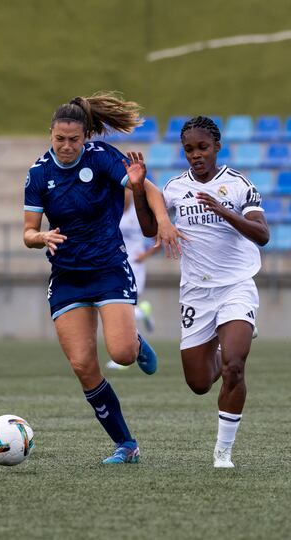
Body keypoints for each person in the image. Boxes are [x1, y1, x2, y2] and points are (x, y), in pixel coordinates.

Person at [23, 92, 183, 464]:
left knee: (122, 353)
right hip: (67, 277)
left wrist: (162, 221)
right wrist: (41, 237)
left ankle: (136, 342)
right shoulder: (37, 174)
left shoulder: (102, 158)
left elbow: (147, 188)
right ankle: (126, 444)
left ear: (85, 137)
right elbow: (28, 232)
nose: (66, 146)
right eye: (59, 139)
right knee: (83, 365)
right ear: (50, 135)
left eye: (73, 140)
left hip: (109, 267)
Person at [133, 116, 270, 468]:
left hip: (236, 286)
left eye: (203, 148)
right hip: (196, 293)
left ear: (217, 148)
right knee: (198, 383)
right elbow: (150, 229)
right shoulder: (176, 188)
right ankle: (225, 346)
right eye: (190, 149)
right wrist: (137, 189)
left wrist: (225, 212)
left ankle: (223, 452)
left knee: (234, 367)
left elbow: (262, 234)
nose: (196, 155)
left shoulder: (239, 185)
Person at [106, 189, 159, 370]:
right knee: (120, 309)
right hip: (115, 265)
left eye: (127, 191)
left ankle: (123, 356)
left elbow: (159, 237)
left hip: (135, 266)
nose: (124, 195)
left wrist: (144, 256)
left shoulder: (139, 214)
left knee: (125, 311)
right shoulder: (111, 209)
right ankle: (143, 314)